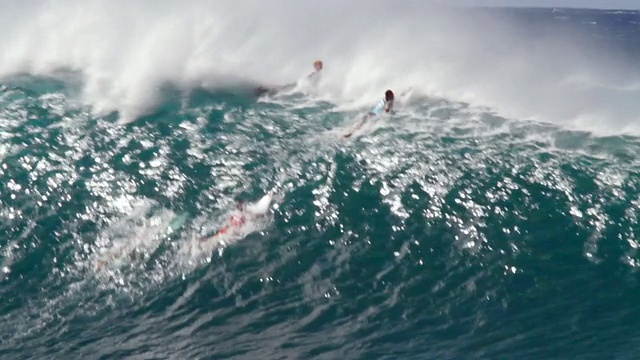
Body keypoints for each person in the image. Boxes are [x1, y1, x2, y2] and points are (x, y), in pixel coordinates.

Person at [255, 60, 323, 96]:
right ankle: (264, 89)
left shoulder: (318, 74)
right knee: (283, 87)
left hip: (302, 88)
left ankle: (264, 90)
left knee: (283, 88)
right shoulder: (315, 74)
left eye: (316, 65)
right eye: (315, 65)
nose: (315, 66)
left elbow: (313, 83)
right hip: (301, 86)